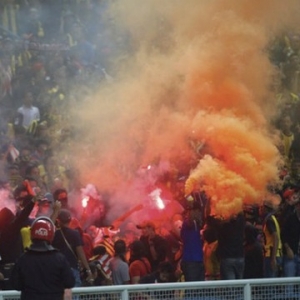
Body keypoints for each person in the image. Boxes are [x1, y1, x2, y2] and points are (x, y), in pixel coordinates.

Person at [10, 216, 75, 300]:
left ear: (32, 234)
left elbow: (16, 284)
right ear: (51, 235)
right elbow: (70, 282)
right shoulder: (59, 258)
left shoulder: (23, 259)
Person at [52, 209, 93, 287]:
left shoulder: (54, 234)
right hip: (72, 268)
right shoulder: (75, 234)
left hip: (57, 269)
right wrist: (88, 269)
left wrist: (55, 211)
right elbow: (80, 252)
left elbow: (49, 225)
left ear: (58, 220)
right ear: (70, 220)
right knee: (74, 294)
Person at [216, 212, 246, 280]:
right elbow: (241, 214)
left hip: (227, 258)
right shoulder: (240, 224)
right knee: (240, 284)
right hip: (240, 257)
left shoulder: (223, 227)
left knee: (231, 285)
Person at [180, 201, 205, 282]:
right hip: (192, 260)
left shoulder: (196, 225)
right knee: (193, 288)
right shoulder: (189, 223)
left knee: (197, 288)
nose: (200, 213)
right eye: (198, 211)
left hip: (197, 260)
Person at [260, 195, 283, 278]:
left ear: (265, 208)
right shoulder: (273, 218)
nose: (260, 209)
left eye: (261, 207)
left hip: (271, 255)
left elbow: (275, 237)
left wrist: (273, 258)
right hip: (276, 254)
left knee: (269, 284)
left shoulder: (269, 220)